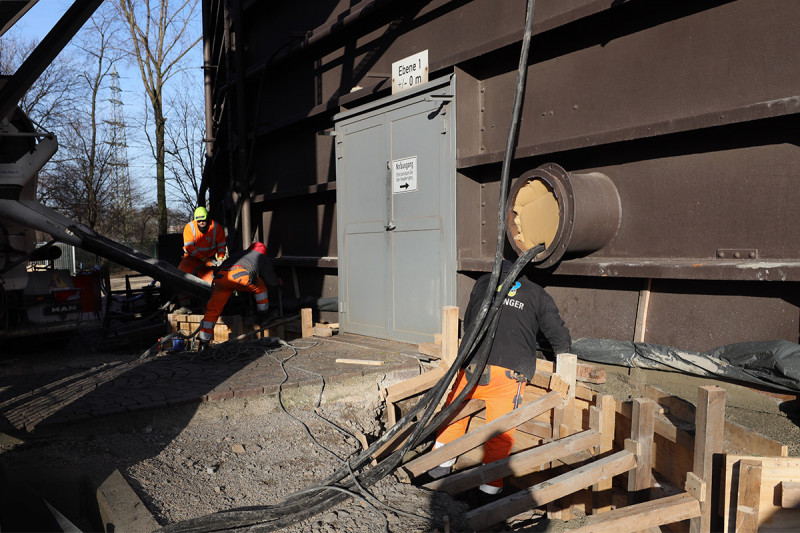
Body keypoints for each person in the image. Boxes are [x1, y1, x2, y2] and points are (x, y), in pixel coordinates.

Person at [429, 260, 571, 499]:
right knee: (499, 433)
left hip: (471, 368)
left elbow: (471, 319)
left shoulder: (483, 283)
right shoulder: (537, 293)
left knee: (453, 416)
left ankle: (437, 469)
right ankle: (489, 491)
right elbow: (561, 340)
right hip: (508, 375)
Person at [196, 241, 279, 350]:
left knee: (213, 310)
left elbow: (216, 271)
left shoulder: (239, 254)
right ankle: (264, 314)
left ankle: (203, 342)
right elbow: (271, 281)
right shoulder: (261, 257)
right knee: (261, 287)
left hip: (221, 278)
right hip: (239, 276)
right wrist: (278, 282)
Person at [175, 206, 227, 313]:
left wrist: (220, 258)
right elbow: (189, 248)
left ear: (207, 218)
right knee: (178, 278)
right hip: (191, 259)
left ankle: (207, 308)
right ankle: (185, 306)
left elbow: (221, 245)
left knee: (211, 285)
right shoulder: (190, 227)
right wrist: (204, 260)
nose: (201, 223)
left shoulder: (216, 228)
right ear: (195, 220)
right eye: (199, 221)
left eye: (203, 220)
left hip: (208, 261)